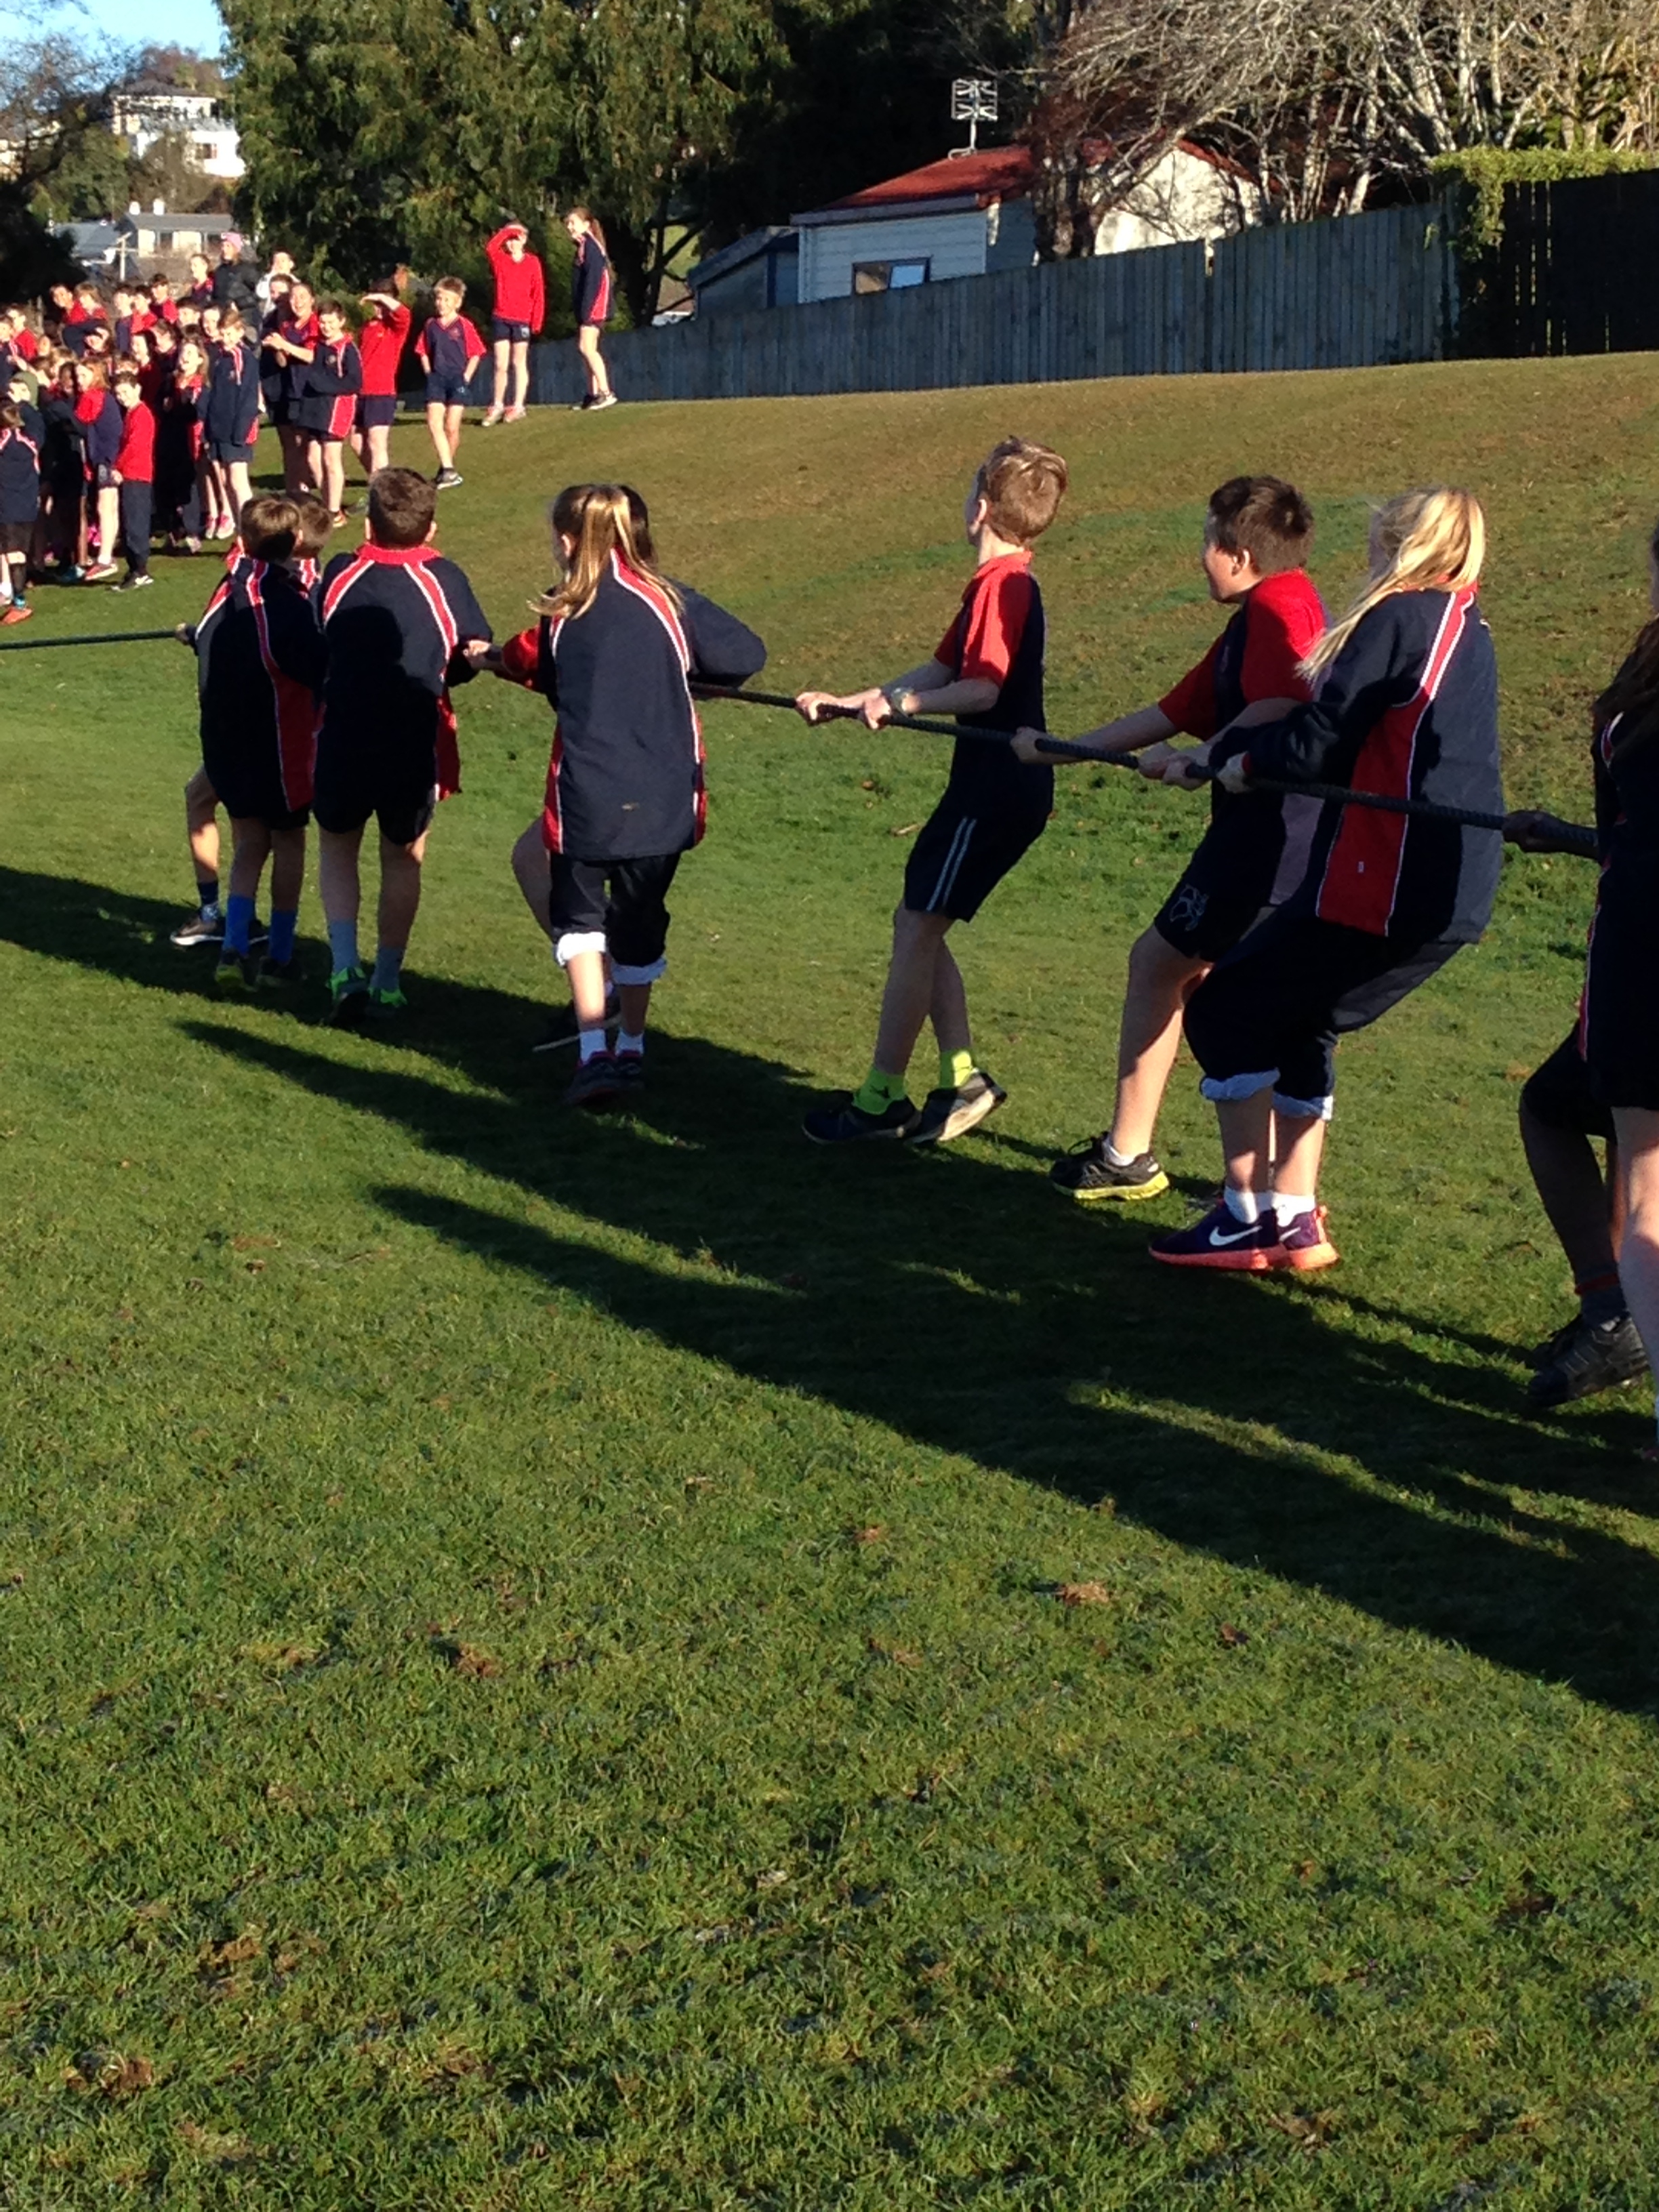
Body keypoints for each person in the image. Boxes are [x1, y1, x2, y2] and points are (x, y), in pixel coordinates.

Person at [1150, 487, 1500, 1273]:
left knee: (1226, 1012)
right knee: (1302, 1017)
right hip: (1446, 885)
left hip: (1392, 876)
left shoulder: (1400, 616)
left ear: (1395, 547)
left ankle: (1245, 1216)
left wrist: (1229, 762)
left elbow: (1317, 740)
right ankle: (1294, 1218)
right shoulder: (1466, 622)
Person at [1027, 477, 1326, 1204]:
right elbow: (1173, 711)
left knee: (1165, 967)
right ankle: (1261, 1188)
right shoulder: (1260, 614)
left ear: (1239, 555)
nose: (1200, 557)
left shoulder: (1279, 608)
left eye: (1207, 543)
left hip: (1269, 842)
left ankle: (1141, 1159)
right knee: (1207, 981)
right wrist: (1061, 750)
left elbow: (1286, 699)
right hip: (1262, 837)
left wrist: (1204, 757)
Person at [794, 436, 1069, 1145]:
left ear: (981, 509)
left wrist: (904, 707)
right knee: (918, 922)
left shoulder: (1006, 586)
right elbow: (941, 668)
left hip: (996, 790)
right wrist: (853, 701)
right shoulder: (994, 584)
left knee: (919, 925)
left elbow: (982, 688)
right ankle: (960, 1078)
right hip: (987, 785)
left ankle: (883, 1099)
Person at [477, 483, 766, 1105]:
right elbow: (746, 653)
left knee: (580, 924)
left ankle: (592, 1055)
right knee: (639, 926)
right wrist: (689, 675)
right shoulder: (671, 601)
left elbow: (538, 670)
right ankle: (632, 1048)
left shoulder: (560, 613)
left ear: (566, 542)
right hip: (665, 800)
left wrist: (490, 658)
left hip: (585, 799)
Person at [1525, 520, 1659, 1446]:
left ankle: (1621, 1330)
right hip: (1639, 939)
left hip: (1644, 950)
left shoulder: (1639, 682)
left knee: (1648, 1190)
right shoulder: (1639, 679)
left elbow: (1624, 832)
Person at [310, 466, 491, 1023]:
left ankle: (344, 969)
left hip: (343, 735)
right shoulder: (443, 578)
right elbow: (470, 654)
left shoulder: (341, 572)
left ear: (368, 524)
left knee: (337, 847)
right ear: (431, 528)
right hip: (413, 741)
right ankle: (387, 982)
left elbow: (320, 636)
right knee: (403, 856)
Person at [178, 493, 327, 989]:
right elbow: (314, 667)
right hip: (280, 748)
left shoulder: (228, 589)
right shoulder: (288, 603)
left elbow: (213, 643)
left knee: (249, 845)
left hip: (228, 745)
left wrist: (194, 636)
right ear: (296, 540)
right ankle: (280, 956)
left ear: (243, 540)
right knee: (288, 843)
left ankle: (233, 950)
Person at [293, 298, 361, 523]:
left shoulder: (347, 348)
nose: (326, 327)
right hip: (316, 409)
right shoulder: (320, 346)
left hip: (337, 409)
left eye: (331, 322)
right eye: (322, 322)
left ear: (341, 321)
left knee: (331, 459)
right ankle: (328, 503)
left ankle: (334, 511)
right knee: (313, 459)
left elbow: (354, 382)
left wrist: (324, 385)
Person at [415, 279, 485, 488]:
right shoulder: (431, 325)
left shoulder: (464, 325)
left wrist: (466, 377)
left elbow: (476, 353)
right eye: (439, 299)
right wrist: (429, 372)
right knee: (434, 422)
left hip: (457, 379)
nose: (441, 303)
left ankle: (447, 468)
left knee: (452, 427)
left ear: (457, 303)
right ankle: (448, 470)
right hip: (437, 378)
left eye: (447, 300)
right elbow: (422, 350)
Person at [199, 306, 260, 534]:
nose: (226, 339)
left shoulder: (244, 358)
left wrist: (240, 431)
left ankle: (252, 530)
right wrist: (209, 430)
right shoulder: (219, 358)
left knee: (238, 481)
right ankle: (240, 533)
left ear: (240, 332)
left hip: (237, 430)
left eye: (230, 334)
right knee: (225, 482)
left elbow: (248, 397)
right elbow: (213, 395)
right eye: (223, 333)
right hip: (219, 428)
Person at [481, 223, 544, 426]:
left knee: (519, 362)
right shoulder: (500, 260)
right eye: (509, 240)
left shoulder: (533, 262)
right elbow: (491, 247)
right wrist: (507, 231)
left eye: (515, 239)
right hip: (501, 317)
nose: (511, 243)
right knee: (501, 364)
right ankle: (498, 404)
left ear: (524, 240)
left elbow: (538, 292)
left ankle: (518, 405)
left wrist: (536, 320)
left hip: (522, 319)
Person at [263, 278, 319, 495]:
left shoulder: (315, 323)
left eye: (302, 297)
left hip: (312, 391)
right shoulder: (286, 326)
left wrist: (284, 345)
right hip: (293, 390)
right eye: (294, 297)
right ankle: (296, 493)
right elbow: (283, 362)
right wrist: (276, 348)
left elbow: (311, 355)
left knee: (312, 452)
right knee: (294, 447)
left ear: (312, 300)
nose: (297, 301)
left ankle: (330, 503)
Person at [354, 280, 411, 480]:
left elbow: (403, 313)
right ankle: (380, 480)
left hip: (381, 392)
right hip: (360, 392)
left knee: (377, 442)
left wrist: (381, 298)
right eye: (376, 304)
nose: (379, 308)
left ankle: (381, 486)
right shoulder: (367, 327)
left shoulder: (395, 327)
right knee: (356, 441)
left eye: (383, 303)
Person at [75, 359, 123, 583]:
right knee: (111, 506)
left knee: (105, 506)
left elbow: (79, 422)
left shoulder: (92, 397)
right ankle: (107, 553)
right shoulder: (107, 397)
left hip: (105, 457)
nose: (79, 381)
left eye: (84, 375)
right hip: (112, 455)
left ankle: (105, 558)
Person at [108, 365, 155, 592]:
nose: (122, 397)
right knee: (129, 522)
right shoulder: (131, 414)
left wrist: (118, 467)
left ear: (137, 389)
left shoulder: (142, 414)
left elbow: (135, 446)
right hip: (131, 474)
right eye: (118, 394)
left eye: (126, 392)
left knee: (136, 523)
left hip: (137, 474)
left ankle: (140, 569)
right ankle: (134, 568)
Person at [564, 209, 616, 411]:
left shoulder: (591, 247)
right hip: (587, 306)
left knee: (587, 347)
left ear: (586, 224)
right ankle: (593, 394)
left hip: (594, 306)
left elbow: (596, 280)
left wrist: (588, 309)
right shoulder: (583, 246)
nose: (570, 227)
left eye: (573, 222)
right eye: (568, 223)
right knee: (588, 348)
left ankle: (606, 393)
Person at [0, 399, 39, 626]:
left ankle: (20, 603)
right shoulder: (29, 441)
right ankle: (17, 598)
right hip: (27, 505)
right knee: (16, 552)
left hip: (9, 505)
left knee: (13, 553)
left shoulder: (5, 445)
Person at [211, 232, 261, 321]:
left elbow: (259, 293)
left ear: (236, 249)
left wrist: (239, 304)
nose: (224, 249)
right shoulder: (220, 271)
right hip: (223, 316)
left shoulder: (246, 269)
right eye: (223, 246)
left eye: (228, 246)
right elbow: (215, 294)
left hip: (245, 317)